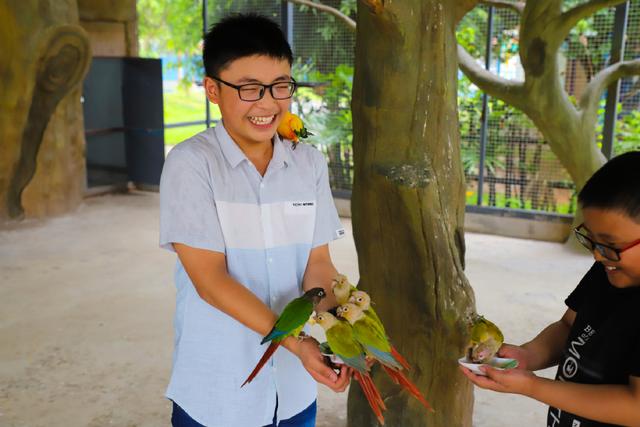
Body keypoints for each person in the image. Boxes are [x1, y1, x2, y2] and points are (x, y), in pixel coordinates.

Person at [159, 14, 351, 427]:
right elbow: (211, 282)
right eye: (249, 88)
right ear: (213, 89)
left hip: (294, 391)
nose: (268, 103)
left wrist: (346, 324)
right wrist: (297, 343)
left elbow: (317, 264)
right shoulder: (191, 165)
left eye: (281, 86)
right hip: (218, 393)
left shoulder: (309, 164)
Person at [461, 151, 640, 426]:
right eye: (590, 240)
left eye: (609, 244)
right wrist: (527, 356)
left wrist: (533, 387)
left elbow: (634, 406)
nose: (597, 255)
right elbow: (568, 326)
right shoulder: (607, 269)